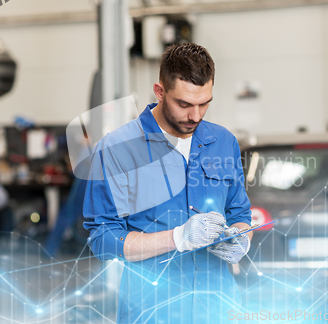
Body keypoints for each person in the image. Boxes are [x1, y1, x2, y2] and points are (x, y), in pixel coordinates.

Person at [83, 42, 253, 324]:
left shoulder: (224, 142)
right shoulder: (116, 149)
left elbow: (240, 214)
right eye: (184, 104)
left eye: (204, 104)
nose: (195, 116)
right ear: (160, 92)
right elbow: (103, 239)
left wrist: (241, 238)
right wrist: (177, 238)